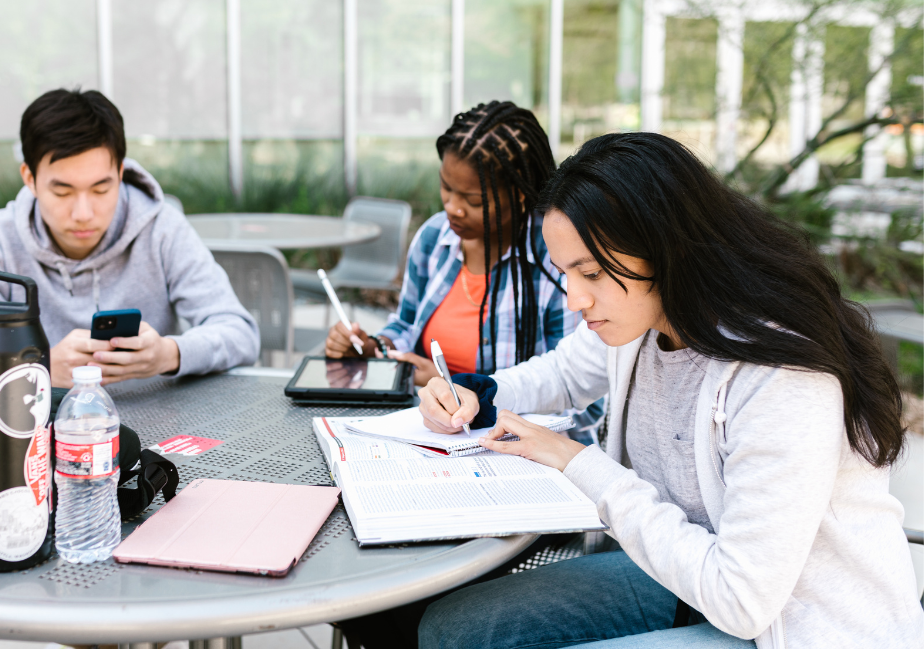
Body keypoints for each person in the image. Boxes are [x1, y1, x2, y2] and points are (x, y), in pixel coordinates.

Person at [417, 132, 923, 648]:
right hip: (691, 576)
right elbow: (564, 374)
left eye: (589, 272)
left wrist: (580, 464)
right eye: (565, 272)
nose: (574, 299)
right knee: (451, 630)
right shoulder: (643, 318)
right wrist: (478, 392)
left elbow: (742, 602)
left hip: (796, 627)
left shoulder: (780, 376)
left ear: (664, 249)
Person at [0, 88, 259, 388]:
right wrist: (36, 366)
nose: (84, 213)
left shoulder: (161, 229)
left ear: (120, 172)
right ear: (29, 178)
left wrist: (169, 354)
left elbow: (240, 333)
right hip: (33, 428)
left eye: (101, 189)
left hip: (160, 424)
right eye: (62, 192)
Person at [325, 100, 579, 388]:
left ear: (520, 194)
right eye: (446, 187)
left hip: (507, 432)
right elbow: (407, 326)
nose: (453, 208)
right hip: (424, 422)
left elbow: (576, 393)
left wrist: (456, 386)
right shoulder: (435, 238)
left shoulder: (556, 261)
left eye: (473, 200)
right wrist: (373, 347)